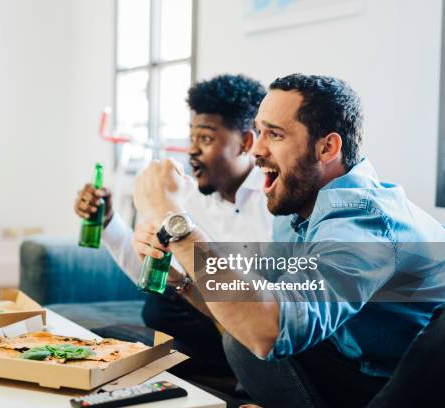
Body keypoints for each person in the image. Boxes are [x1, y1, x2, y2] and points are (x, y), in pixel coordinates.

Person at [131, 73, 445, 407]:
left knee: (255, 335)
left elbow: (269, 328)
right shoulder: (297, 209)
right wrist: (180, 281)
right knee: (241, 337)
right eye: (260, 131)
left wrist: (174, 221)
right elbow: (248, 306)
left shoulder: (364, 221)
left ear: (327, 148)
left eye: (275, 135)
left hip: (406, 378)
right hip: (356, 360)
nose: (257, 150)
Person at [73, 74, 272, 389]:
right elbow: (153, 271)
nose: (191, 151)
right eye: (191, 138)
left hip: (253, 335)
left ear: (246, 143)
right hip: (209, 331)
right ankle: (213, 375)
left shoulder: (274, 200)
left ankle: (228, 377)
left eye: (205, 139)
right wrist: (109, 220)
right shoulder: (190, 195)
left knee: (160, 313)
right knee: (112, 336)